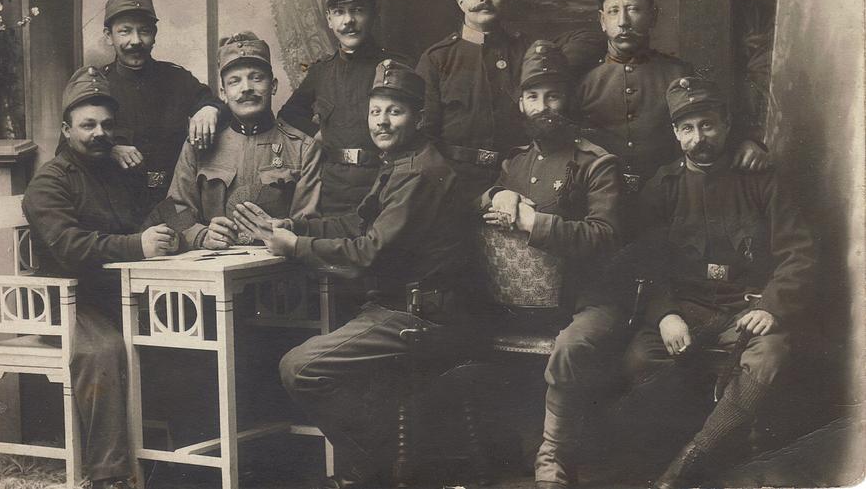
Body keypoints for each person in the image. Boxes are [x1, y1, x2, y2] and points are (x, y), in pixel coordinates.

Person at [235, 60, 471, 489]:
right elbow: (359, 224)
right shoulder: (402, 161)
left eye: (394, 112)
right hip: (398, 307)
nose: (382, 121)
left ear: (418, 118)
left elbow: (368, 251)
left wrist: (296, 248)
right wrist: (296, 226)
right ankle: (366, 467)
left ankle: (369, 466)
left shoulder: (418, 172)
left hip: (421, 315)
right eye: (375, 111)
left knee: (299, 367)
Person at [622, 76, 816, 489]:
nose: (699, 138)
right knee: (641, 358)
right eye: (688, 128)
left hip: (746, 310)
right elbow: (648, 262)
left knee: (768, 356)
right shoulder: (663, 186)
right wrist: (666, 314)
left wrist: (771, 306)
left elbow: (798, 253)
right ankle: (672, 455)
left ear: (726, 124)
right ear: (675, 134)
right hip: (687, 309)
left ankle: (690, 462)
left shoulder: (759, 178)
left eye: (708, 125)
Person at [22, 66, 179, 489]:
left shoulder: (117, 174)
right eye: (87, 125)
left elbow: (151, 215)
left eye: (107, 125)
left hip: (116, 295)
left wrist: (175, 234)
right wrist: (137, 246)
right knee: (104, 350)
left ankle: (178, 461)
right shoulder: (49, 181)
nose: (98, 133)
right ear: (66, 130)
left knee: (182, 332)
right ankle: (109, 475)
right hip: (65, 300)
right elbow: (68, 248)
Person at [479, 40, 624, 489]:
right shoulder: (516, 163)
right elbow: (480, 205)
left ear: (570, 98)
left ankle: (552, 458)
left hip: (592, 297)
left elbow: (605, 234)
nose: (543, 107)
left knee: (571, 346)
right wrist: (494, 195)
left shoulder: (597, 164)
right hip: (527, 305)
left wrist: (532, 220)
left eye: (553, 94)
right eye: (532, 96)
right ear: (520, 103)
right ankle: (502, 447)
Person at [575, 0, 769, 199]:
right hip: (601, 201)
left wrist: (749, 142)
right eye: (614, 11)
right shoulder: (583, 83)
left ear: (653, 16)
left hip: (670, 199)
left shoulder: (679, 74)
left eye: (634, 9)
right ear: (602, 21)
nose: (623, 21)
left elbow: (717, 122)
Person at [60, 0, 228, 215]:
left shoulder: (177, 79)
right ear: (109, 36)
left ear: (155, 35)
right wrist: (110, 149)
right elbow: (65, 151)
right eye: (125, 31)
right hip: (116, 208)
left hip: (174, 204)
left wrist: (209, 109)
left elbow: (218, 105)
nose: (136, 41)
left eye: (144, 31)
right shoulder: (96, 86)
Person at [164, 31, 320, 250]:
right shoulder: (198, 146)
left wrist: (286, 227)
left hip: (281, 268)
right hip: (214, 268)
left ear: (273, 86)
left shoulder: (303, 147)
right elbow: (173, 211)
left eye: (256, 77)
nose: (246, 88)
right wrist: (201, 236)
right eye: (234, 81)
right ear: (223, 92)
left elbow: (312, 223)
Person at [277, 0, 407, 215]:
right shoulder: (321, 71)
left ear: (373, 13)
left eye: (357, 10)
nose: (348, 20)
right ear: (328, 19)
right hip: (333, 188)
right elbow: (288, 113)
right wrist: (319, 134)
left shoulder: (398, 66)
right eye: (339, 12)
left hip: (383, 182)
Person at [416, 0, 531, 201]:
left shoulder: (525, 51)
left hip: (515, 180)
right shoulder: (437, 58)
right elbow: (425, 137)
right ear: (460, 2)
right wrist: (444, 186)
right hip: (453, 182)